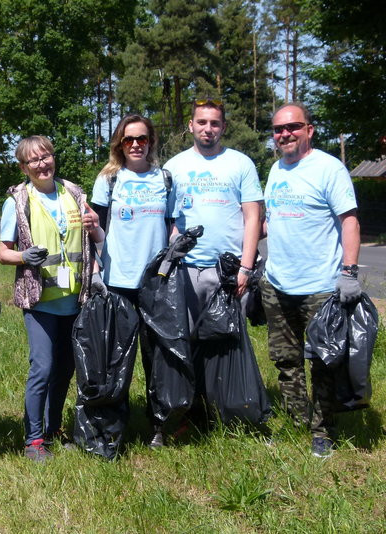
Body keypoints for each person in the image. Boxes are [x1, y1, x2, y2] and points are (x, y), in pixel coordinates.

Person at [261, 102, 362, 458]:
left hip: (320, 288)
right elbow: (272, 220)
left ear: (309, 130)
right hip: (277, 285)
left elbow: (349, 221)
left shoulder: (329, 169)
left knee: (324, 362)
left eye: (293, 127)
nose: (285, 134)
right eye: (278, 129)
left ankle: (323, 432)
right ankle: (296, 421)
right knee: (285, 360)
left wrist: (349, 273)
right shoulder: (276, 169)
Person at [0, 135, 99, 462]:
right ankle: (34, 441)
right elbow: (3, 254)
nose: (42, 164)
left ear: (53, 158)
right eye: (33, 161)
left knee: (66, 369)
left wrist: (94, 226)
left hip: (75, 299)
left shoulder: (74, 194)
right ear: (23, 167)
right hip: (39, 300)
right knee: (42, 367)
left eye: (46, 157)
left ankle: (54, 428)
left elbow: (91, 238)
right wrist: (24, 256)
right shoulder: (17, 202)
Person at [87, 114, 177, 449]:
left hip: (156, 283)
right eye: (129, 139)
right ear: (119, 144)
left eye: (142, 138)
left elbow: (172, 226)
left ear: (151, 141)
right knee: (116, 357)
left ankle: (159, 425)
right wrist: (95, 273)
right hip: (118, 281)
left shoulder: (165, 179)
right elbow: (94, 231)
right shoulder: (109, 180)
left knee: (158, 357)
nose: (136, 144)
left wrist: (172, 258)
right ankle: (114, 426)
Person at [164, 98, 263, 327]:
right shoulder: (173, 166)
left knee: (228, 348)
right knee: (188, 342)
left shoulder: (241, 163)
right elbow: (168, 219)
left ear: (223, 127)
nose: (208, 129)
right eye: (202, 122)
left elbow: (253, 218)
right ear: (191, 125)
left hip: (229, 271)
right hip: (186, 270)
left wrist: (246, 269)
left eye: (215, 123)